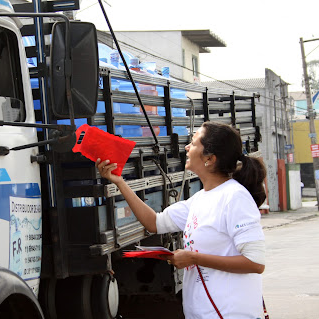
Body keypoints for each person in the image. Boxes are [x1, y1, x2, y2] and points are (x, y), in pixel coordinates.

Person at [96, 121, 267, 318]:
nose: (187, 147)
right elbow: (155, 222)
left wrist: (194, 258)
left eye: (193, 143)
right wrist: (119, 181)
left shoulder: (235, 198)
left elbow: (255, 263)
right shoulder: (201, 199)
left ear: (209, 159)